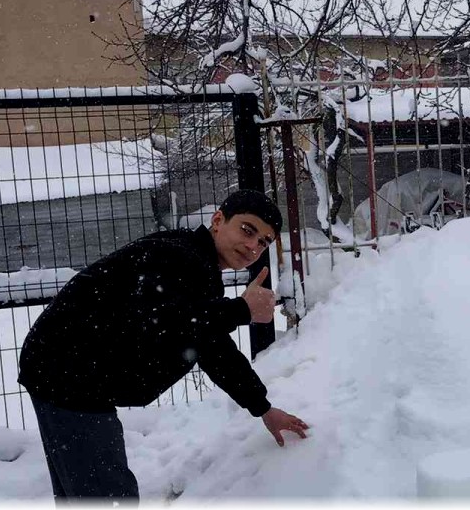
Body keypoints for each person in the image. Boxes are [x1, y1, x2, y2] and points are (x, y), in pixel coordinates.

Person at [18, 189, 310, 501]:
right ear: (218, 220)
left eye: (263, 241)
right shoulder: (177, 256)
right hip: (70, 375)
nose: (253, 246)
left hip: (66, 370)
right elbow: (158, 322)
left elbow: (211, 347)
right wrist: (241, 310)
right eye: (247, 230)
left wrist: (262, 407)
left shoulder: (198, 265)